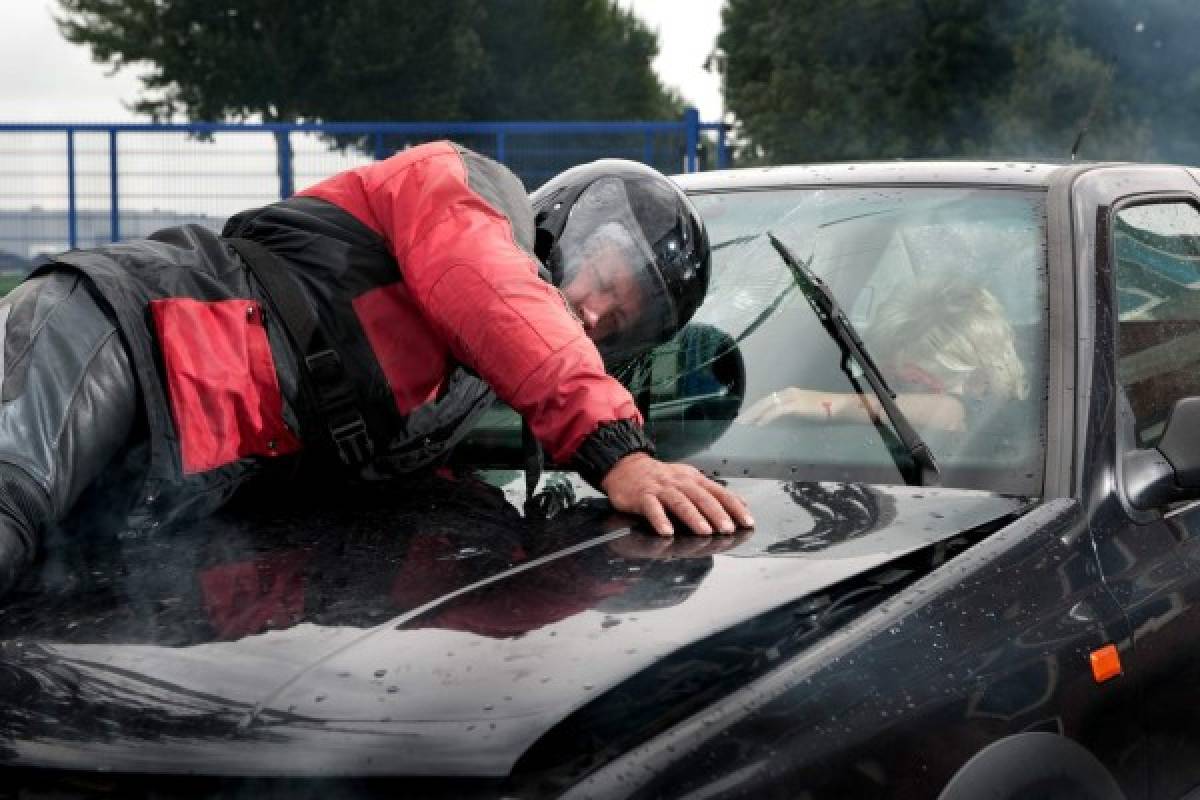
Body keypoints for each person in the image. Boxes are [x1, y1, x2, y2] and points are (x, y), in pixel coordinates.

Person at [0, 141, 753, 600]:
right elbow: (486, 283)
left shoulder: (466, 392)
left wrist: (593, 599)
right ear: (561, 219)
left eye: (616, 325)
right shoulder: (468, 188)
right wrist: (615, 449)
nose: (591, 315)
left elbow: (499, 628)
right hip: (115, 339)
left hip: (163, 487)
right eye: (602, 281)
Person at [743, 278, 1028, 431]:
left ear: (976, 381)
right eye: (888, 376)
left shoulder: (1002, 423)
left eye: (916, 381)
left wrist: (833, 405)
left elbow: (952, 411)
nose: (894, 391)